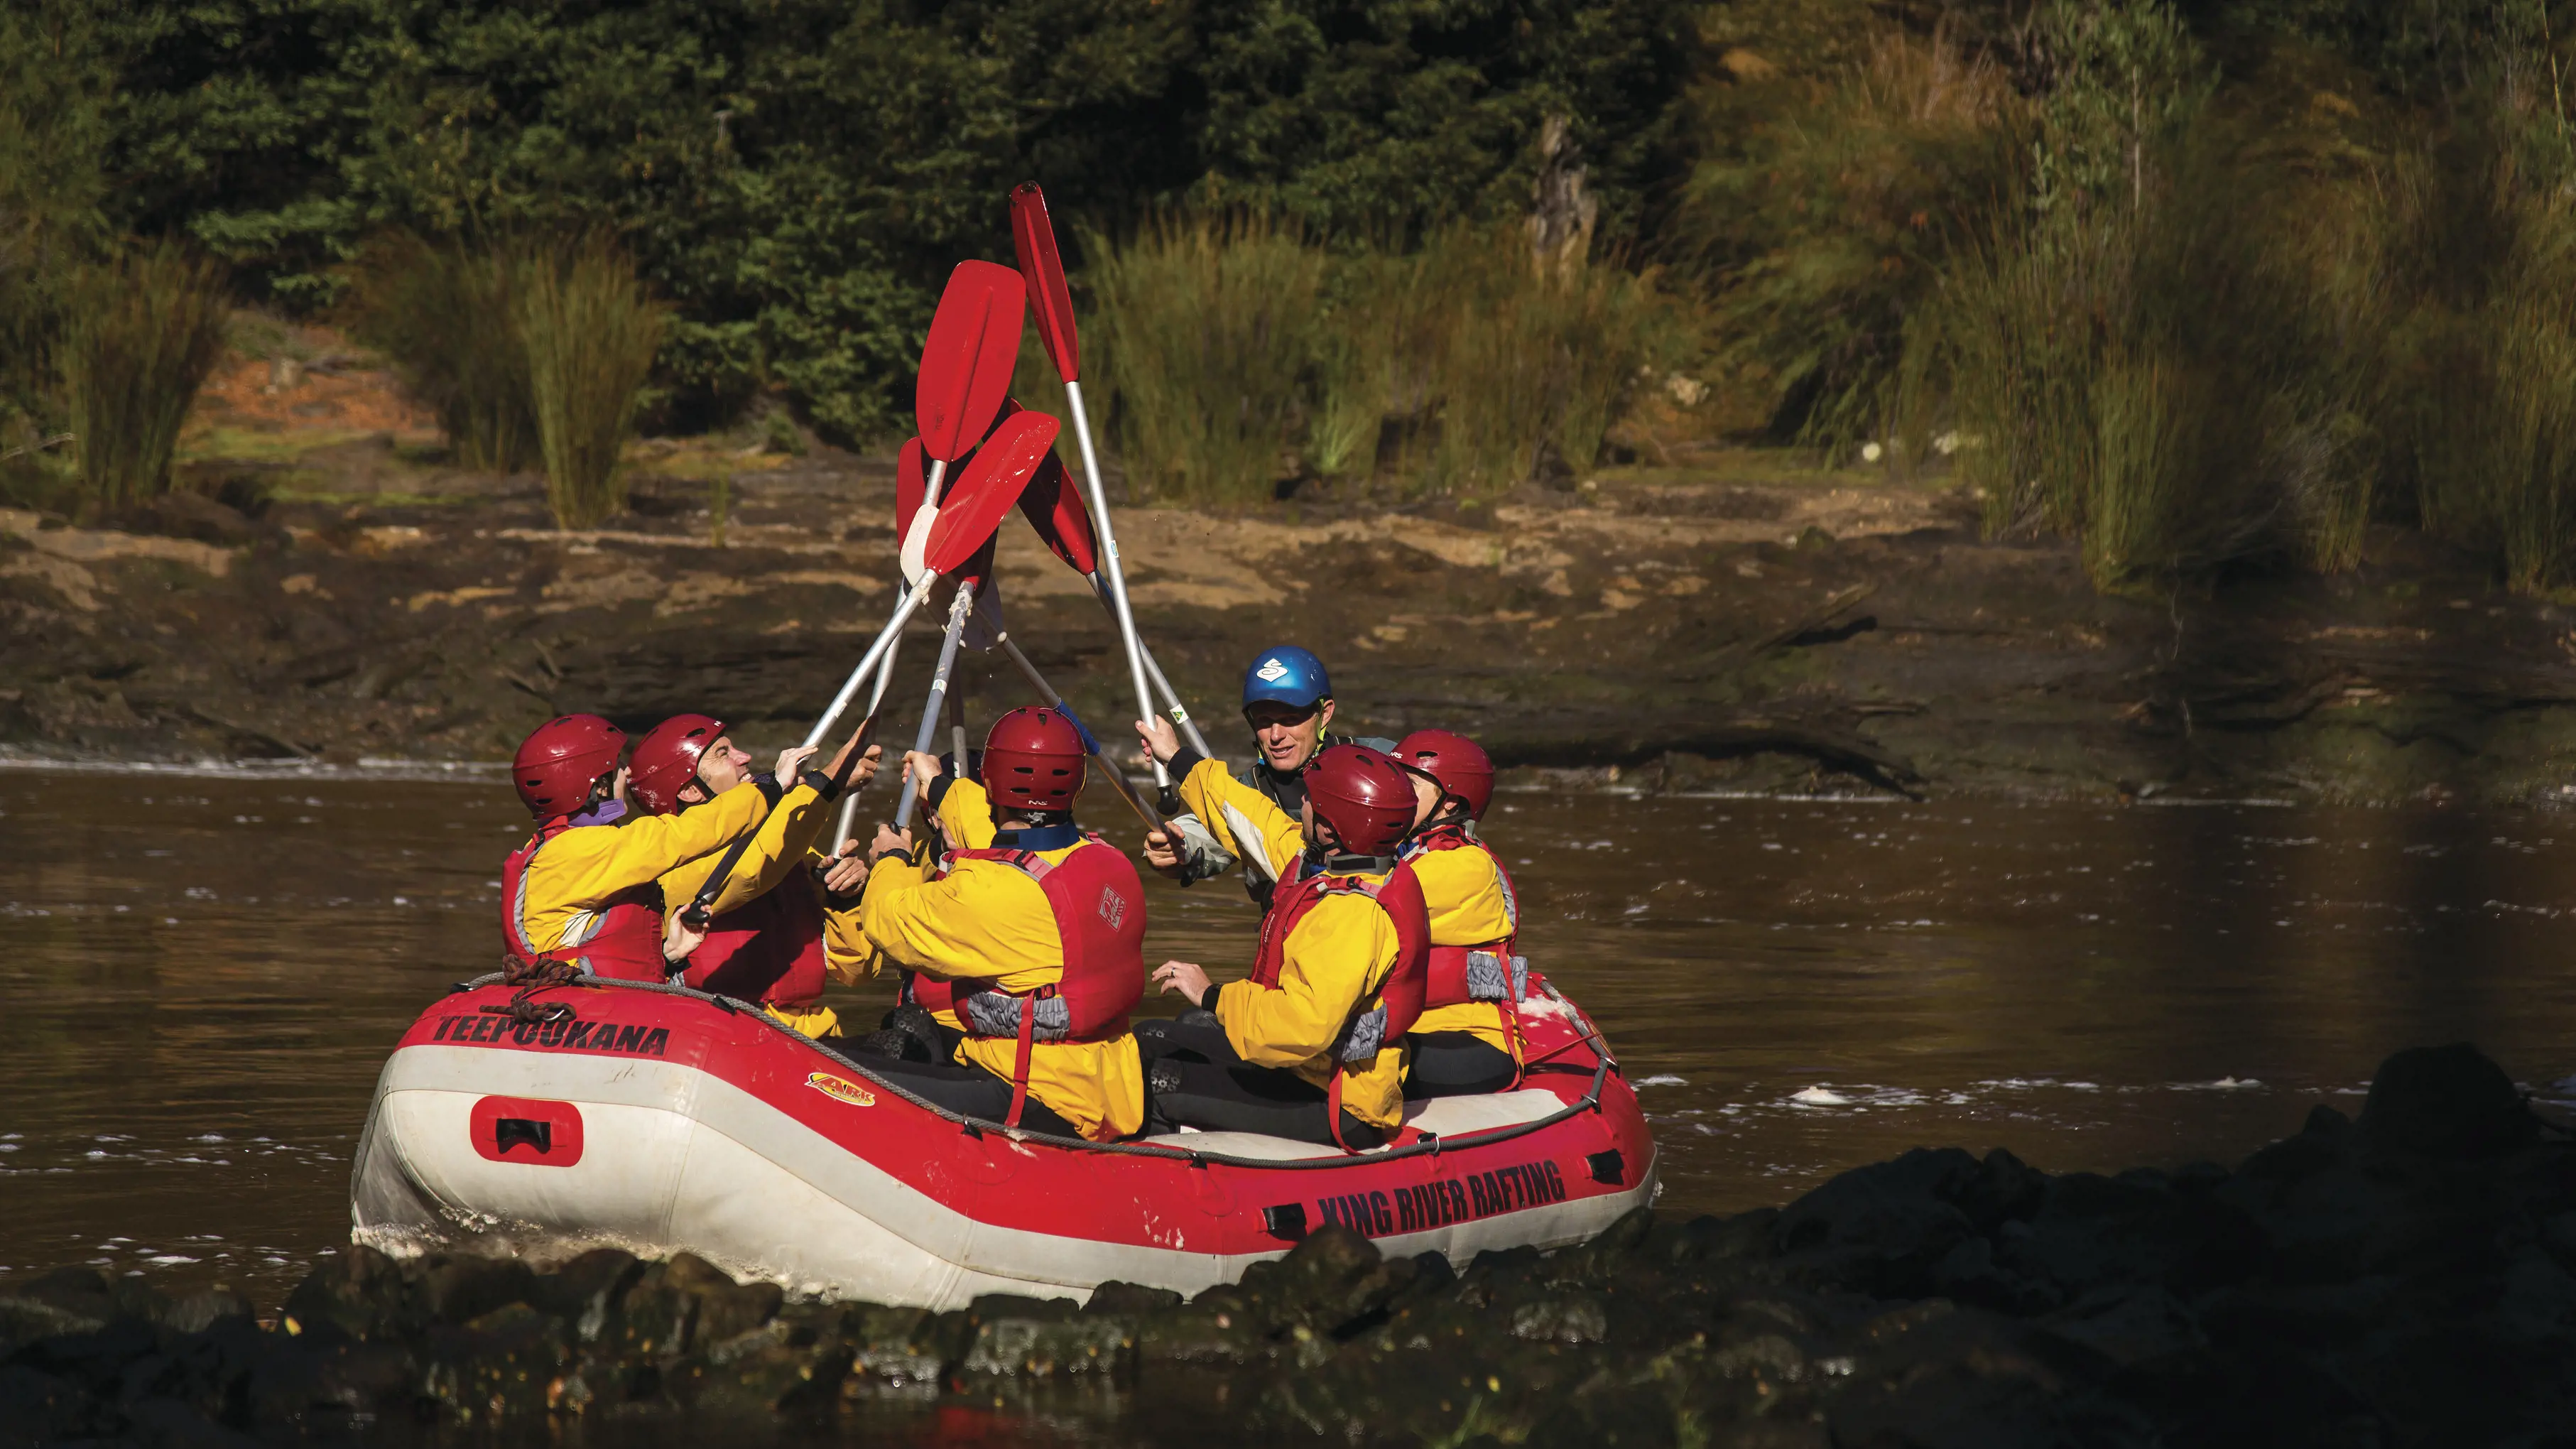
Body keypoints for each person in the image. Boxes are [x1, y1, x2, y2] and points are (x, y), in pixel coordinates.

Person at [851, 707, 1148, 1143]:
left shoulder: (988, 894)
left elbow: (885, 918)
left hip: (1038, 1095)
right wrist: (939, 785)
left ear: (989, 782)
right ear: (1078, 783)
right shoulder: (1108, 861)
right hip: (1107, 1086)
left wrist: (892, 858)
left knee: (839, 1073)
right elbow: (998, 831)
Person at [1138, 744, 1429, 1149]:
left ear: (1331, 828)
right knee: (1150, 1035)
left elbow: (1299, 1028)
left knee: (1157, 1081)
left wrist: (1213, 995)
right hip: (1304, 1070)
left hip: (1338, 1101)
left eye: (1310, 799)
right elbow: (1254, 819)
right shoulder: (1331, 862)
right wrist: (1179, 760)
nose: (1301, 803)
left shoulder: (1353, 915)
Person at [626, 713, 879, 1038]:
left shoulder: (793, 853)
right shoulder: (669, 871)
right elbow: (749, 868)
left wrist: (844, 899)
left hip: (809, 1036)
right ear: (690, 791)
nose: (745, 757)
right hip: (716, 1035)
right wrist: (828, 781)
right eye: (723, 753)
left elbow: (857, 972)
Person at [501, 713, 807, 979]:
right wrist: (771, 787)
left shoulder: (553, 848)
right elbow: (686, 833)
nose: (628, 773)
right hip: (582, 1005)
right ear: (599, 786)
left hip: (600, 1002)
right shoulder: (580, 850)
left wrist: (669, 955)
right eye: (619, 766)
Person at [1143, 645, 1395, 908]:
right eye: (1264, 721)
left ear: (1325, 714)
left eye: (1290, 719)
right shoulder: (1249, 789)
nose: (1276, 736)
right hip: (1292, 927)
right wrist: (1176, 847)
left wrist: (1178, 758)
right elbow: (1209, 825)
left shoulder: (1384, 761)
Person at [1389, 729, 1526, 1097]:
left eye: (1410, 785)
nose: (1394, 793)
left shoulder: (1464, 865)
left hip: (1469, 1040)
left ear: (1450, 804)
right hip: (1414, 1029)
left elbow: (1364, 908)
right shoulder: (1408, 853)